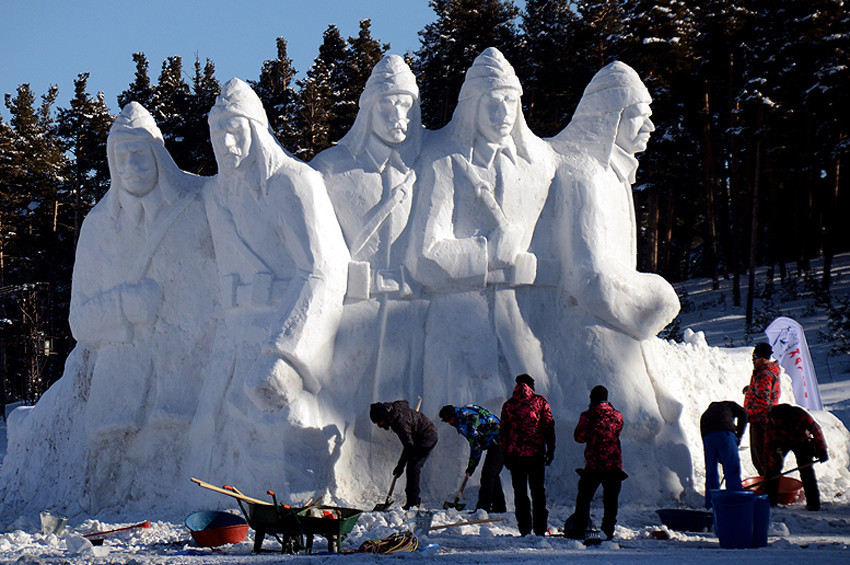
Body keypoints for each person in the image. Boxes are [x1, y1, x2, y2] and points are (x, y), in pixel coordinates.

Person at [406, 47, 557, 411]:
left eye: (509, 100)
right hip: (459, 324)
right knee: (462, 431)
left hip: (517, 324)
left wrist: (527, 265)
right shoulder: (443, 161)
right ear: (471, 105)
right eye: (491, 101)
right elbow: (423, 257)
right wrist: (488, 253)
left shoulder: (536, 168)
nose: (502, 112)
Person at [567, 385, 626, 541]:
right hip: (613, 466)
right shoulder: (617, 415)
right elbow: (617, 431)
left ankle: (579, 531)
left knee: (584, 499)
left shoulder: (588, 416)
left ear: (592, 399)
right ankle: (607, 532)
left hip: (593, 465)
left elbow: (578, 437)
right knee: (611, 502)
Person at [500, 374, 555, 536]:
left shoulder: (509, 405)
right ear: (531, 385)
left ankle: (524, 529)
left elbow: (503, 432)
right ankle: (539, 529)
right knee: (538, 492)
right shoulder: (540, 402)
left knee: (520, 494)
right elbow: (549, 426)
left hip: (516, 457)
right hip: (536, 455)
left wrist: (505, 454)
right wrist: (551, 448)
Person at [370, 400, 438, 509]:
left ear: (385, 416)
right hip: (417, 436)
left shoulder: (400, 424)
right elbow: (405, 403)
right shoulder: (394, 409)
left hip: (427, 436)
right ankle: (413, 501)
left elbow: (409, 447)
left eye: (379, 421)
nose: (379, 425)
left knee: (413, 467)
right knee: (411, 464)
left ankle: (413, 502)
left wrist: (400, 465)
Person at [439, 404, 507, 513]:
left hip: (501, 440)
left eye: (449, 420)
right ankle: (499, 507)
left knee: (487, 475)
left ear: (453, 416)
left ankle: (483, 508)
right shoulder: (464, 414)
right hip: (497, 440)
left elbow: (475, 446)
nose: (450, 423)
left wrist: (472, 466)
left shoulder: (468, 420)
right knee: (492, 474)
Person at [765, 404, 829, 510]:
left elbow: (816, 429)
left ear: (784, 418)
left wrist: (822, 449)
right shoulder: (771, 422)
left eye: (778, 421)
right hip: (780, 441)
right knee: (773, 471)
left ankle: (813, 504)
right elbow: (768, 445)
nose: (776, 422)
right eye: (774, 420)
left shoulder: (799, 414)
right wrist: (770, 465)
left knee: (806, 470)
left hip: (801, 441)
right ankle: (769, 501)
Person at [700, 401, 747, 508]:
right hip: (725, 433)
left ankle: (711, 505)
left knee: (711, 472)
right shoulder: (730, 405)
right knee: (732, 470)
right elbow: (744, 414)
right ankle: (737, 503)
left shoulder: (705, 414)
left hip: (708, 437)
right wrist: (739, 435)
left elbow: (709, 439)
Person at [744, 342, 782, 475]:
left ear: (762, 358)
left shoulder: (764, 375)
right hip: (763, 419)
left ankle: (769, 486)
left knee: (760, 457)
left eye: (754, 357)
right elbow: (764, 392)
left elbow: (763, 401)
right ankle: (769, 483)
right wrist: (750, 390)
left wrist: (750, 414)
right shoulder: (767, 372)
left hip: (761, 420)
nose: (753, 360)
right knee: (762, 456)